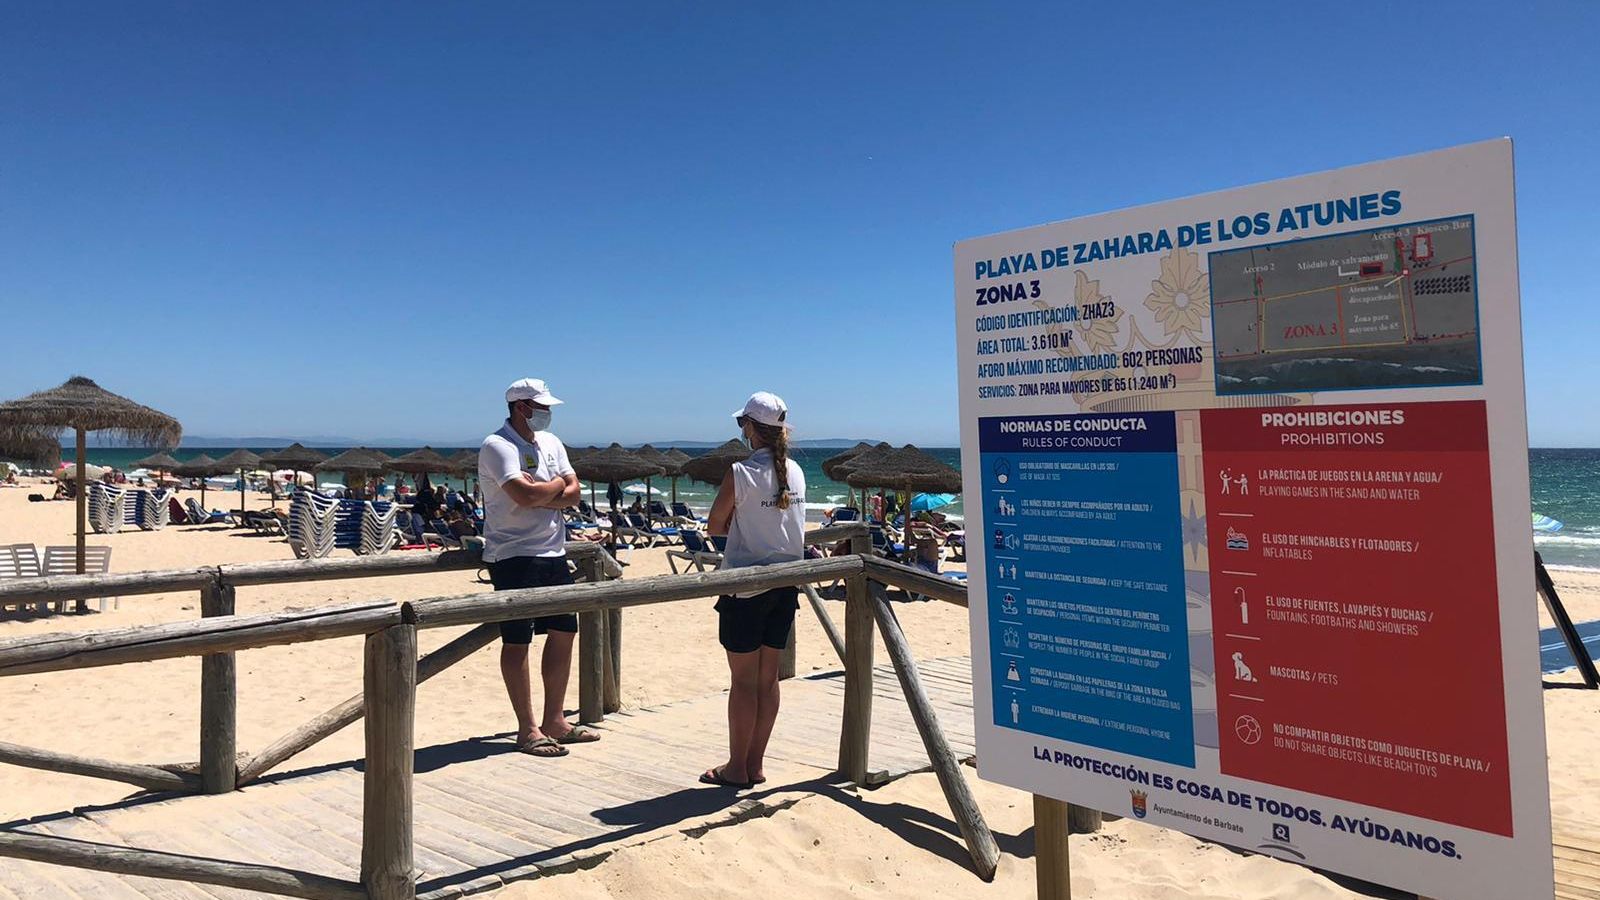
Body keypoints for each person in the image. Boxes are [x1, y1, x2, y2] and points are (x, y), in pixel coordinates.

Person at [479, 378, 599, 758]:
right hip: (513, 554)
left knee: (565, 630)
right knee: (517, 641)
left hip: (552, 552)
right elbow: (523, 495)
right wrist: (554, 489)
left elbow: (574, 492)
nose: (547, 413)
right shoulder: (497, 445)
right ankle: (527, 728)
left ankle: (554, 720)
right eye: (540, 406)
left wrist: (545, 490)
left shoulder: (551, 443)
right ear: (520, 406)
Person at [701, 391, 806, 789]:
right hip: (785, 585)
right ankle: (755, 764)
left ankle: (736, 767)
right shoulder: (794, 472)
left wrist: (745, 531)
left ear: (749, 427)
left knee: (743, 683)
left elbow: (714, 525)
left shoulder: (740, 472)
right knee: (768, 681)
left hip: (746, 588)